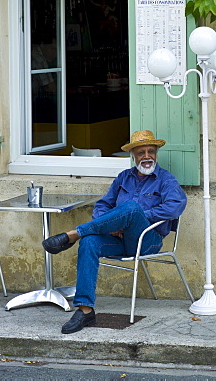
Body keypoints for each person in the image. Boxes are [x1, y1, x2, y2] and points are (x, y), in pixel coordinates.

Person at [41, 130, 187, 334]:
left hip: (148, 241)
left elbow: (175, 207)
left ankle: (74, 234)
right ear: (133, 156)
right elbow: (102, 205)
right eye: (141, 152)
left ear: (156, 153)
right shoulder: (123, 177)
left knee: (132, 209)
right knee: (90, 242)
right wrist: (110, 226)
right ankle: (85, 310)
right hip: (119, 241)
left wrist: (134, 218)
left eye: (151, 151)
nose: (147, 156)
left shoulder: (165, 180)